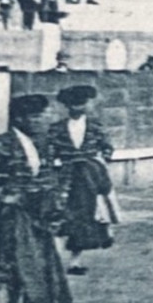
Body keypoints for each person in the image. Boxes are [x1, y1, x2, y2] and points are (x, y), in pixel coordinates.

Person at [0, 93, 74, 303]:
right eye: (35, 116)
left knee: (42, 261)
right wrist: (2, 197)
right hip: (15, 213)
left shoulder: (43, 142)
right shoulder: (4, 142)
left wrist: (56, 204)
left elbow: (52, 175)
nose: (42, 120)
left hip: (41, 211)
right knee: (13, 261)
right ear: (19, 119)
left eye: (42, 115)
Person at [47, 84, 117, 275]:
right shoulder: (57, 128)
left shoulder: (95, 126)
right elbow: (48, 151)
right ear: (67, 106)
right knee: (60, 214)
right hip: (65, 177)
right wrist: (56, 164)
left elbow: (107, 148)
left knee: (86, 216)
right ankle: (55, 259)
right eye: (74, 104)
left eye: (81, 104)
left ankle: (74, 262)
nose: (78, 108)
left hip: (90, 176)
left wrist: (99, 164)